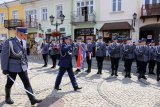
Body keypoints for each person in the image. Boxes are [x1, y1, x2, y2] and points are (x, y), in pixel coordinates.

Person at [1, 27, 42, 105]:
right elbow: (4, 56)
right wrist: (4, 68)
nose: (25, 36)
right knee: (9, 83)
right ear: (19, 34)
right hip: (12, 67)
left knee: (27, 83)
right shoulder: (9, 42)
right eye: (24, 35)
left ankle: (32, 99)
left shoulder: (23, 41)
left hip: (22, 66)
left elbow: (24, 54)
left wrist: (26, 63)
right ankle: (7, 97)